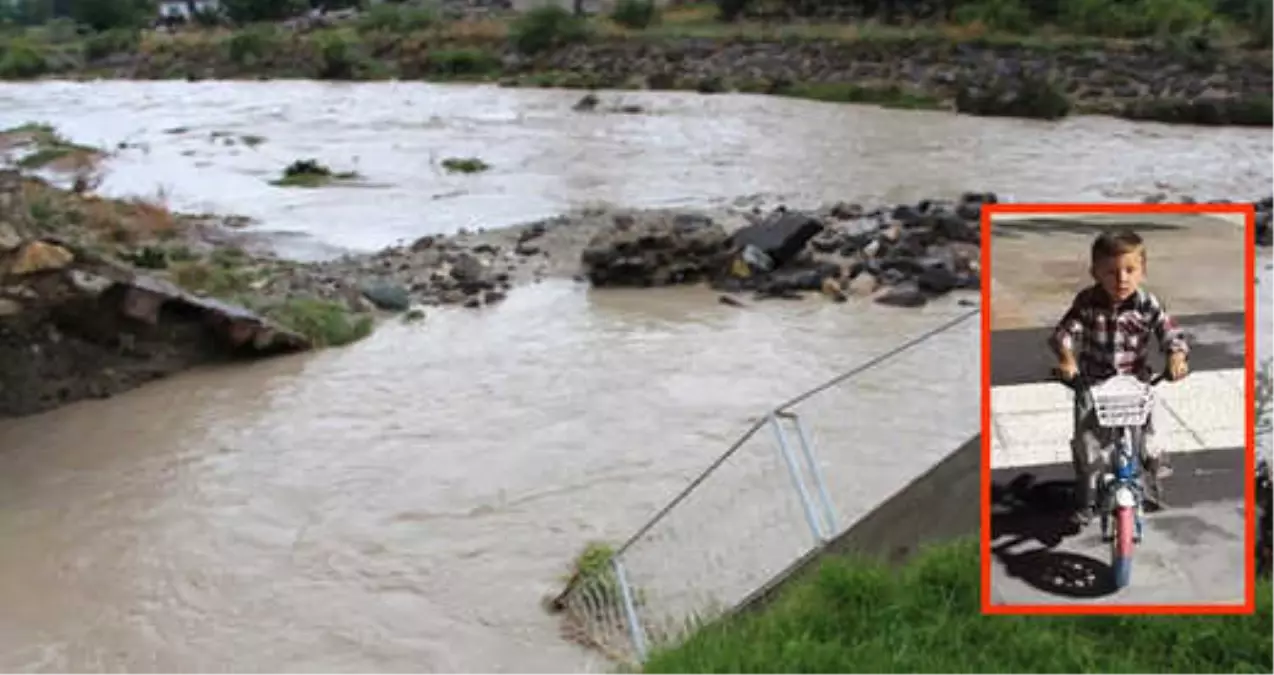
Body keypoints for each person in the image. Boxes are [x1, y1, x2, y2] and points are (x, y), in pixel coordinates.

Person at [1048, 229, 1190, 527]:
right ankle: (1086, 496)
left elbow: (1171, 334)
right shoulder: (1087, 302)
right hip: (1094, 382)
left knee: (1154, 423)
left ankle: (1153, 468)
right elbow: (1063, 334)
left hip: (1135, 380)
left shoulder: (1147, 304)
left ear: (1143, 271)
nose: (1121, 279)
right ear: (1095, 272)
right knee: (1088, 443)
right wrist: (1066, 359)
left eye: (1130, 270)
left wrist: (1176, 358)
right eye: (1111, 272)